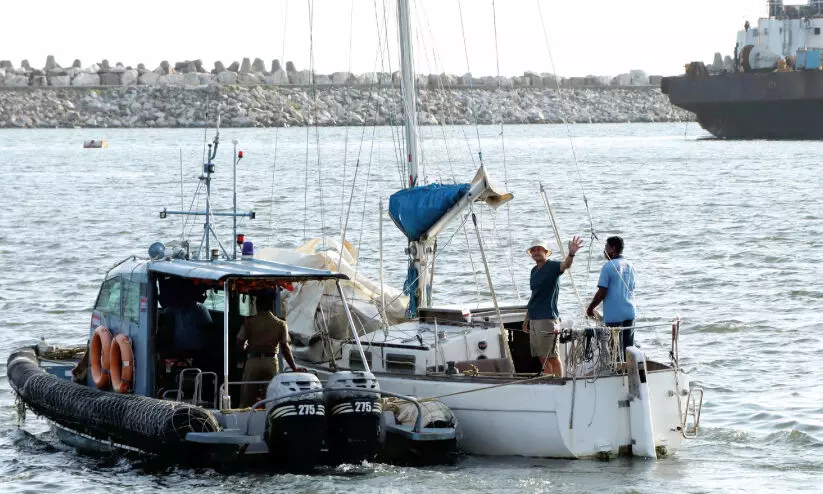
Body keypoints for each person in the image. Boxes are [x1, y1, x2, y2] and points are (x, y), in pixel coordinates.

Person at [522, 236, 583, 377]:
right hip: (535, 318)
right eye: (534, 250)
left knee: (552, 356)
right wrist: (527, 319)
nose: (536, 252)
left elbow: (566, 265)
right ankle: (549, 381)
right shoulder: (533, 271)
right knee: (541, 356)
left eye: (539, 249)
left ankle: (559, 383)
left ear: (545, 251)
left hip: (547, 318)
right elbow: (533, 295)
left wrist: (572, 253)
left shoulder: (553, 266)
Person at [237, 294, 306, 408]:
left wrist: (242, 354)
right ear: (271, 306)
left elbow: (239, 342)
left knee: (247, 397)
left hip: (253, 361)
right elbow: (285, 347)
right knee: (272, 396)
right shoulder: (280, 324)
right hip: (271, 362)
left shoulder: (249, 322)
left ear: (257, 306)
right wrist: (294, 368)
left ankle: (243, 417)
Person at [586, 236, 637, 359]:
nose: (604, 250)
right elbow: (631, 288)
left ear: (613, 248)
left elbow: (602, 293)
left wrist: (590, 308)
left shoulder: (608, 266)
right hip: (630, 312)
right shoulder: (630, 265)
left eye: (606, 247)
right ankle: (627, 372)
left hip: (614, 315)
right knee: (628, 349)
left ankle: (618, 373)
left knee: (615, 350)